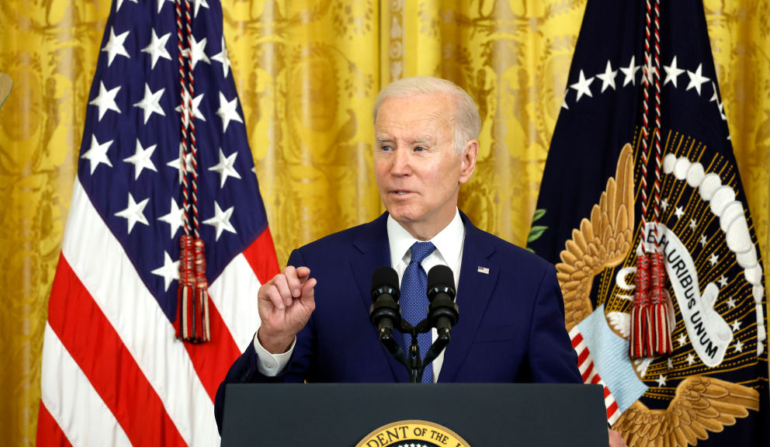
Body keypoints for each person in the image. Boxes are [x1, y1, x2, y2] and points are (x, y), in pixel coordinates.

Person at [215, 76, 626, 447]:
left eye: (419, 148)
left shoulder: (525, 280)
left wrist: (588, 438)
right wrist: (274, 343)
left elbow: (559, 416)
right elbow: (240, 422)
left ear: (466, 161)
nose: (398, 168)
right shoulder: (321, 269)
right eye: (386, 147)